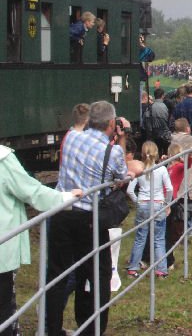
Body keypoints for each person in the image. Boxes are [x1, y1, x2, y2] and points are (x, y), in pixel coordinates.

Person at [46, 102, 143, 336]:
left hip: (62, 211)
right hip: (89, 217)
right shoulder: (112, 151)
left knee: (57, 274)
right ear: (112, 124)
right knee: (96, 274)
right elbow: (120, 177)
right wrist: (132, 168)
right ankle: (91, 328)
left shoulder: (71, 137)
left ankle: (50, 327)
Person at [0, 146, 81, 336]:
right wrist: (65, 197)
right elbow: (31, 192)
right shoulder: (3, 160)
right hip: (2, 250)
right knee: (4, 306)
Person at [126, 141, 173, 278]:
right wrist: (167, 203)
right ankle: (162, 270)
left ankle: (133, 269)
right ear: (156, 153)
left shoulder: (140, 170)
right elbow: (169, 189)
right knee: (159, 238)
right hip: (158, 203)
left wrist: (138, 202)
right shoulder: (162, 169)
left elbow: (130, 191)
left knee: (140, 237)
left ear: (142, 153)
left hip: (143, 204)